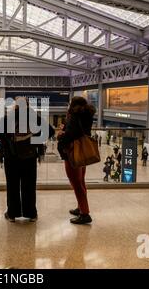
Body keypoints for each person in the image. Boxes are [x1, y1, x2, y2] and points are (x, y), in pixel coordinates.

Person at [0, 97, 54, 223]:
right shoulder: (34, 117)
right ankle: (31, 213)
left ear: (16, 106)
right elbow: (51, 131)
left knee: (12, 185)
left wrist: (7, 140)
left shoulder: (10, 117)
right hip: (29, 157)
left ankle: (12, 214)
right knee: (29, 185)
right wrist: (35, 141)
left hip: (11, 157)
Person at [58, 96, 96, 225]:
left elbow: (71, 134)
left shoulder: (74, 116)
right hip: (82, 152)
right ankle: (80, 207)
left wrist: (62, 135)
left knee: (76, 184)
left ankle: (85, 213)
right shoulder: (87, 115)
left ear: (73, 105)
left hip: (73, 153)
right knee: (81, 181)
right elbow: (81, 131)